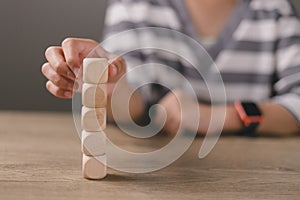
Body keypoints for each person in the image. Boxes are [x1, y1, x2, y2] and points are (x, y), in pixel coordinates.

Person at [41, 0, 300, 136]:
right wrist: (112, 88)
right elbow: (137, 103)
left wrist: (217, 117)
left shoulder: (274, 10)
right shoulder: (136, 4)